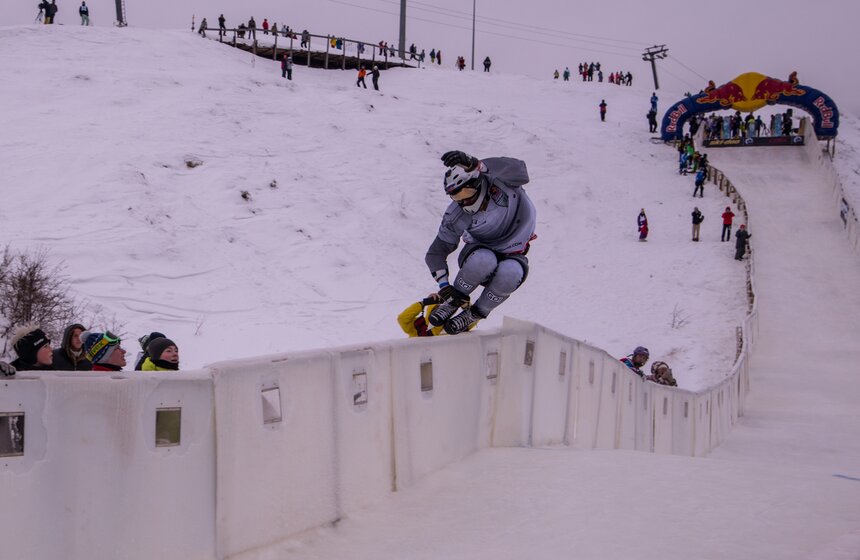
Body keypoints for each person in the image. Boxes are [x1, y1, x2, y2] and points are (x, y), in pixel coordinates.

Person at [425, 150, 536, 335]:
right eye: (456, 198)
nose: (464, 202)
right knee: (484, 260)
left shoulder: (502, 182)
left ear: (478, 183)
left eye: (466, 193)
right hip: (479, 251)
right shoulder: (457, 214)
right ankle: (453, 301)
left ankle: (476, 313)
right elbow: (435, 253)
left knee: (511, 273)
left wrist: (476, 164)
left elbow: (520, 170)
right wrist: (445, 286)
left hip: (513, 253)